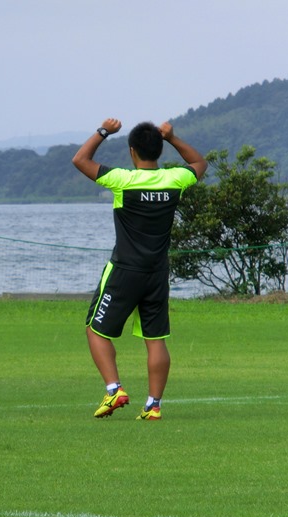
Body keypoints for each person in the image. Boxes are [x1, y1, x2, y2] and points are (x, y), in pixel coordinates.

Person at [71, 119, 207, 420]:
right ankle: (153, 405)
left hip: (124, 270)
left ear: (132, 151)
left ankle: (114, 389)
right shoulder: (174, 180)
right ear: (160, 150)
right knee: (155, 339)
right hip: (157, 273)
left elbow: (80, 160)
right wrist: (172, 137)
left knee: (95, 329)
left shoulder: (123, 180)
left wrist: (104, 132)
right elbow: (199, 162)